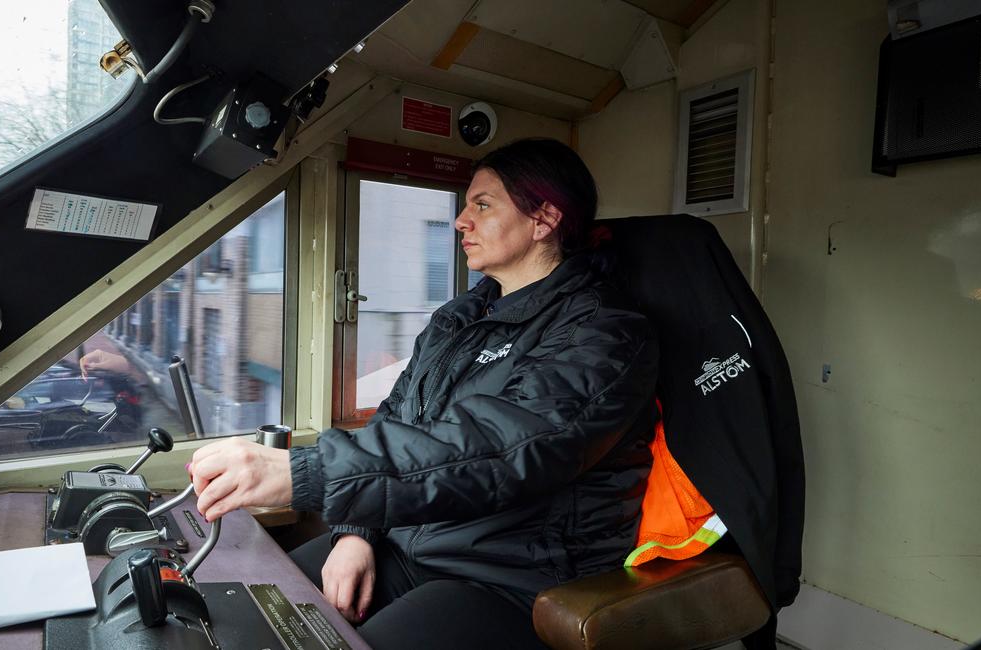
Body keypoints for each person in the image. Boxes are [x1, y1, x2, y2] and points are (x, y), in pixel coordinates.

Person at [188, 138, 659, 649]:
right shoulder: (460, 318)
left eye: (483, 205)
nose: (461, 221)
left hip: (509, 577)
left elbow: (500, 449)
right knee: (245, 611)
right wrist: (356, 532)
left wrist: (303, 473)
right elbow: (396, 419)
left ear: (543, 219)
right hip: (409, 542)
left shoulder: (603, 333)